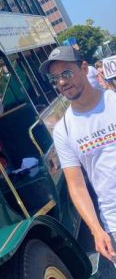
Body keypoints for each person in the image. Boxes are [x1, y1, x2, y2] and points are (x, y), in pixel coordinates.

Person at [39, 46, 116, 262]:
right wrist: (96, 229)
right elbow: (77, 186)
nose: (62, 82)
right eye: (56, 78)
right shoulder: (64, 130)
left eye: (66, 73)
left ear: (83, 68)